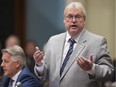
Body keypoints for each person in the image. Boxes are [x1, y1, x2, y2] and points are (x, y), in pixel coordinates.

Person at [33, 1, 114, 87]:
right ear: (64, 20)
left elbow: (109, 72)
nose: (74, 20)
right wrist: (40, 64)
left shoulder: (97, 42)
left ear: (84, 20)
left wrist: (92, 68)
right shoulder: (53, 41)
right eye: (70, 16)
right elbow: (44, 75)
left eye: (78, 17)